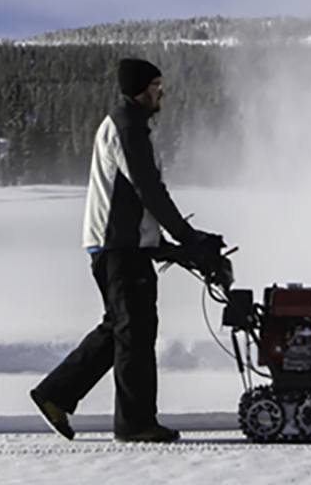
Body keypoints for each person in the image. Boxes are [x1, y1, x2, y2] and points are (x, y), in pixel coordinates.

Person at [30, 58, 223, 443]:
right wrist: (190, 239)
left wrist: (170, 245)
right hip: (118, 248)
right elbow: (148, 190)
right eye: (156, 85)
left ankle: (56, 394)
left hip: (120, 246)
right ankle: (135, 424)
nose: (161, 92)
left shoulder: (130, 125)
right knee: (135, 332)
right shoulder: (128, 126)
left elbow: (136, 201)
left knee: (120, 328)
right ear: (139, 89)